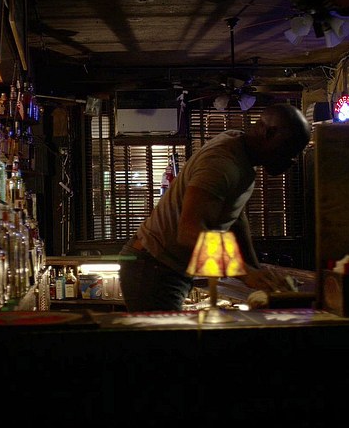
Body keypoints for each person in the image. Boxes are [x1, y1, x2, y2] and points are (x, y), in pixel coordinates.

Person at [118, 103, 311, 312]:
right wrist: (245, 272)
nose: (292, 160)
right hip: (153, 268)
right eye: (289, 148)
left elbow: (236, 220)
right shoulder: (222, 165)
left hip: (161, 267)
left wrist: (256, 270)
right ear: (268, 133)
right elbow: (189, 232)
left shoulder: (240, 151)